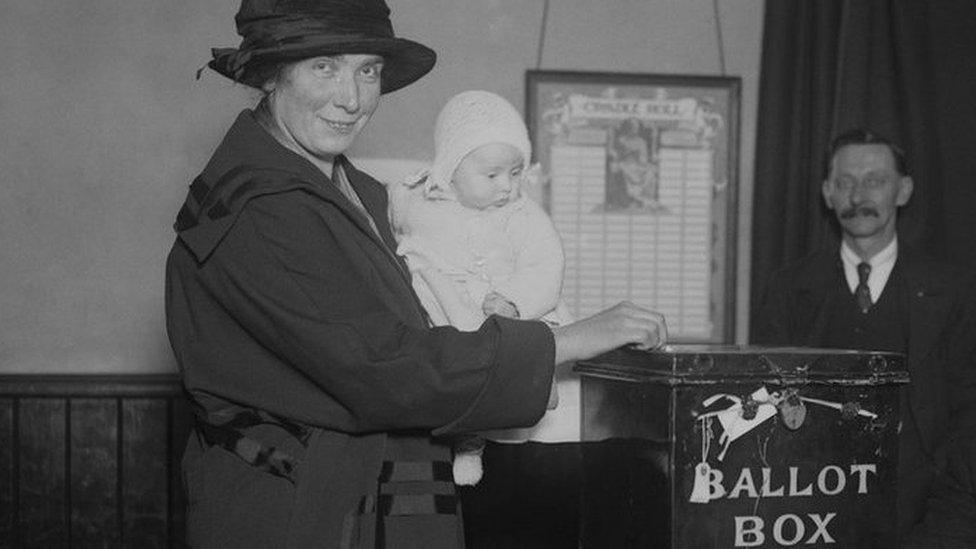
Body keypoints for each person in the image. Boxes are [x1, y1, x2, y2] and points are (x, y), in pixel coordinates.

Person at [165, 1, 668, 547]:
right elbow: (381, 367)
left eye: (369, 69)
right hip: (299, 514)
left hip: (367, 498)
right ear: (269, 74)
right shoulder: (260, 207)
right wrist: (565, 341)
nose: (351, 98)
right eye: (325, 66)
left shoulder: (359, 192)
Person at [752, 128, 976, 540]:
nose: (859, 197)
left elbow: (968, 420)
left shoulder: (956, 293)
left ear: (903, 190)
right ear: (827, 192)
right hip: (809, 519)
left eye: (875, 180)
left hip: (929, 519)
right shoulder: (787, 290)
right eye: (845, 182)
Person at [388, 90, 582, 547]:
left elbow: (545, 267)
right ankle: (467, 441)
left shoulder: (524, 215)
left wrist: (514, 300)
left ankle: (515, 414)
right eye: (491, 174)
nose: (506, 186)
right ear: (450, 168)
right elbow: (396, 220)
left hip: (513, 311)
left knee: (526, 377)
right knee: (457, 375)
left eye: (516, 173)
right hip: (446, 302)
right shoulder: (423, 199)